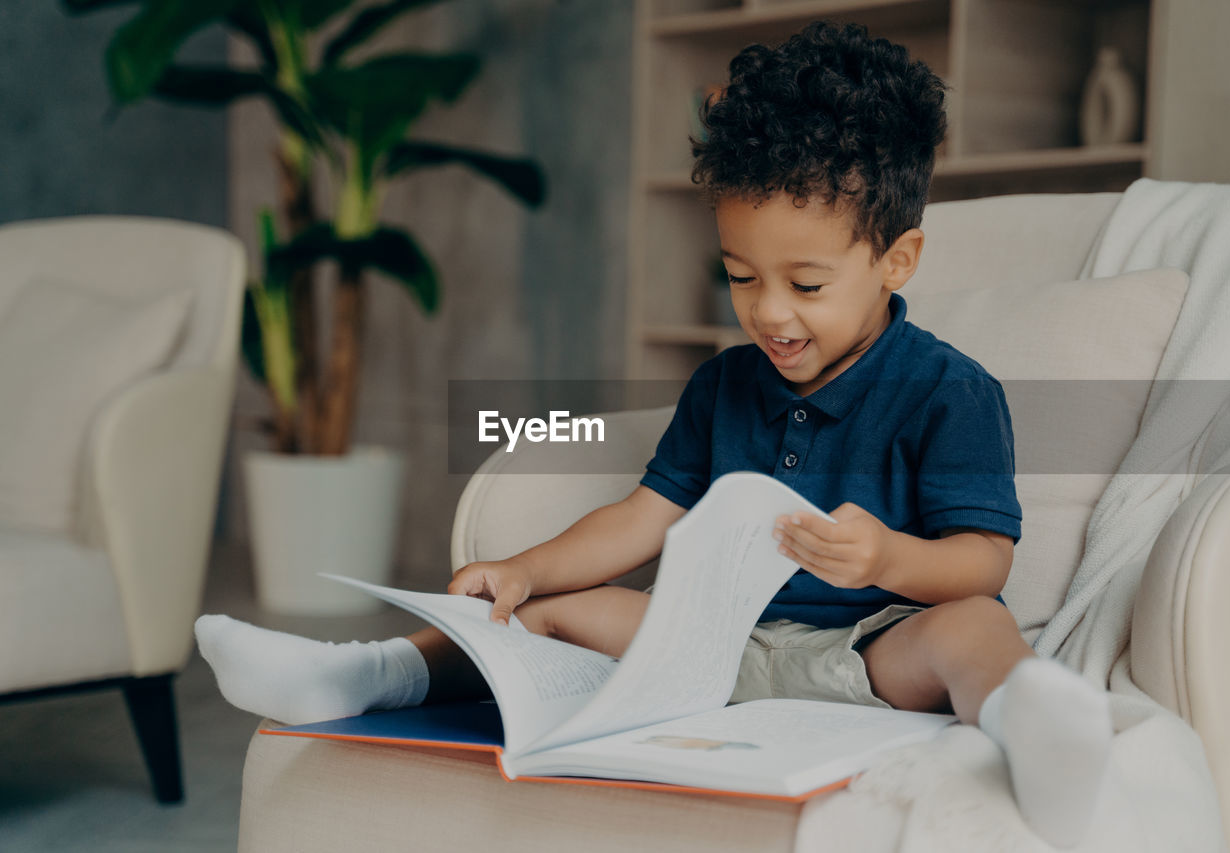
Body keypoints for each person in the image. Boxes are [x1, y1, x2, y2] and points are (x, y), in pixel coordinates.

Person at [197, 22, 1110, 849]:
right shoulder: (723, 384)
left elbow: (983, 560)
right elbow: (643, 514)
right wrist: (526, 570)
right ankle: (361, 678)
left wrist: (885, 558)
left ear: (896, 260)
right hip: (709, 647)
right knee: (547, 611)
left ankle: (1036, 735)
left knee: (974, 628)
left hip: (870, 652)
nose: (770, 313)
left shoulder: (949, 390)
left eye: (807, 284)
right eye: (741, 275)